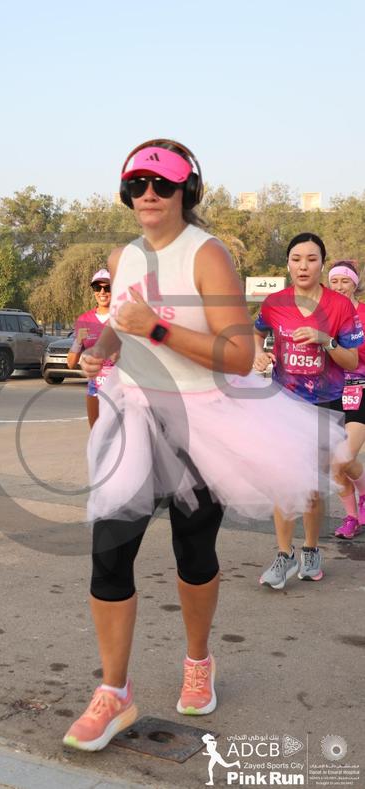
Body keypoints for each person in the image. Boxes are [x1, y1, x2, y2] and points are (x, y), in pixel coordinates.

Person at [62, 140, 348, 753]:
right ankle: (113, 692)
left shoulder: (207, 254)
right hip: (133, 416)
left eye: (161, 184)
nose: (148, 195)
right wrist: (96, 352)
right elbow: (120, 331)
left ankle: (198, 660)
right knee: (109, 553)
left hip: (202, 421)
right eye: (136, 184)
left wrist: (157, 327)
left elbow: (239, 355)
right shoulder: (124, 257)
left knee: (193, 553)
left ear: (186, 191)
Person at [254, 234, 363, 588]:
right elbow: (256, 332)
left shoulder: (340, 307)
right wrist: (258, 353)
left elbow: (351, 360)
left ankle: (311, 549)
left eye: (311, 259)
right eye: (296, 259)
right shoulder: (274, 303)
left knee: (312, 487)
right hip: (284, 403)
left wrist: (324, 340)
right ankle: (283, 554)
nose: (303, 266)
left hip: (325, 404)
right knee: (283, 480)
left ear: (322, 264)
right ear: (287, 263)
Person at [328, 260, 365, 538]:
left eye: (345, 281)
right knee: (336, 465)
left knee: (343, 458)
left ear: (355, 284)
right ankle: (352, 516)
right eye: (334, 281)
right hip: (331, 392)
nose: (339, 287)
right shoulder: (323, 316)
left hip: (361, 389)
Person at [67, 269, 114, 428]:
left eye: (107, 288)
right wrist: (78, 341)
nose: (102, 292)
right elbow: (70, 364)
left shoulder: (122, 316)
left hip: (121, 387)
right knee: (96, 434)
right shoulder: (84, 319)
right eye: (97, 288)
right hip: (95, 387)